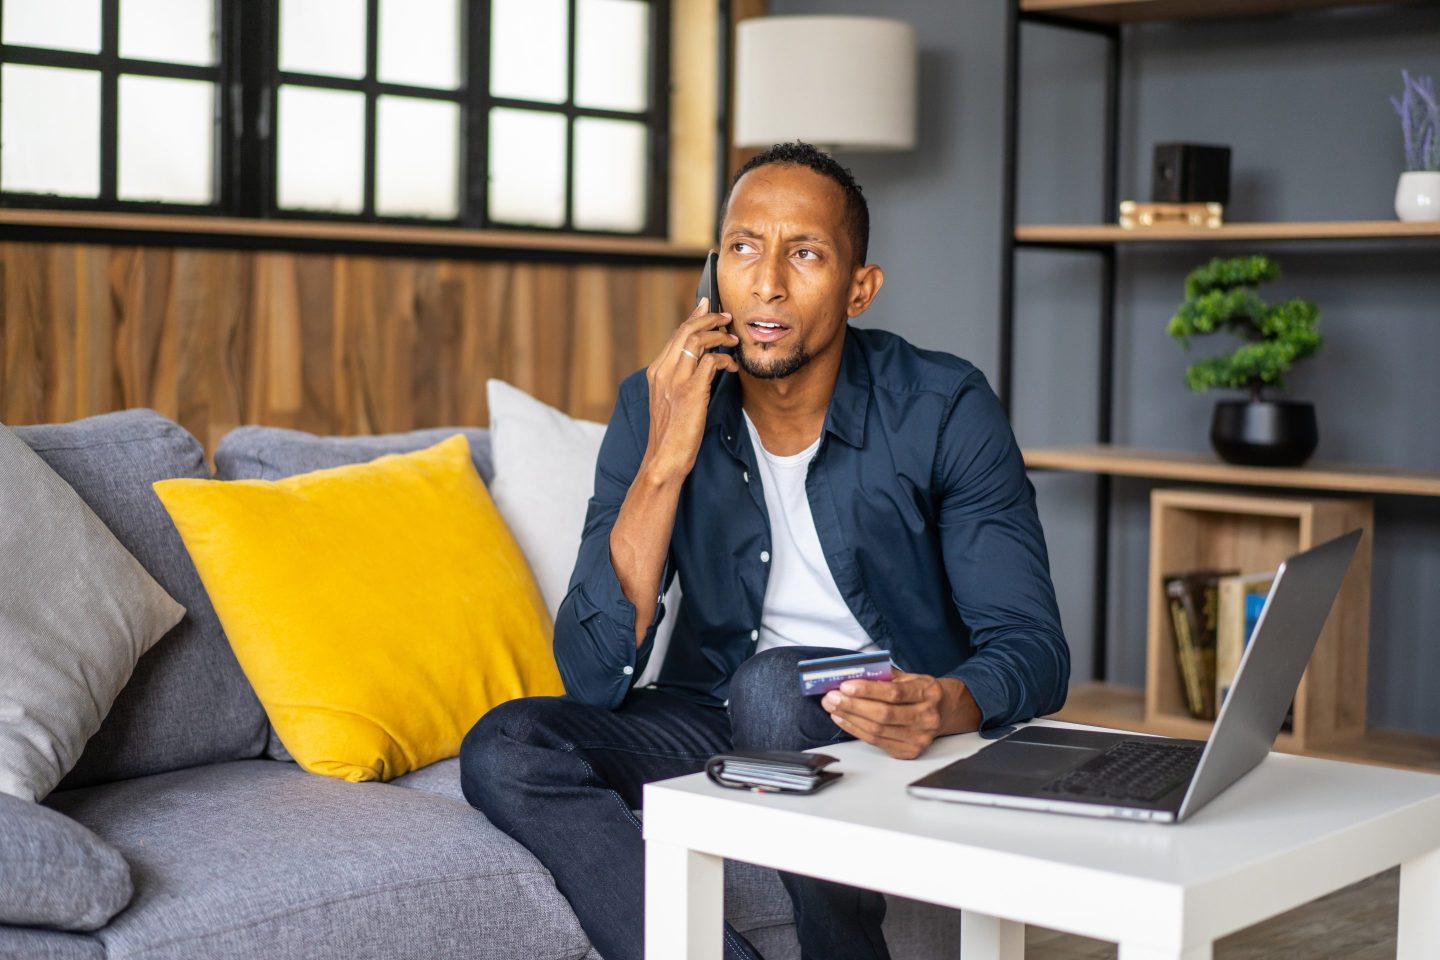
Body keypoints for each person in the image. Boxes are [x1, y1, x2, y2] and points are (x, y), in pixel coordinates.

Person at [460, 141, 1069, 960]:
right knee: (505, 746)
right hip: (718, 711)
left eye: (805, 253)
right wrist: (667, 457)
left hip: (882, 719)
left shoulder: (942, 406)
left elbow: (1033, 648)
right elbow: (593, 671)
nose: (767, 282)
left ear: (860, 289)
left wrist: (941, 703)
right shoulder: (657, 408)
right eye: (743, 247)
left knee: (776, 689)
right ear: (716, 269)